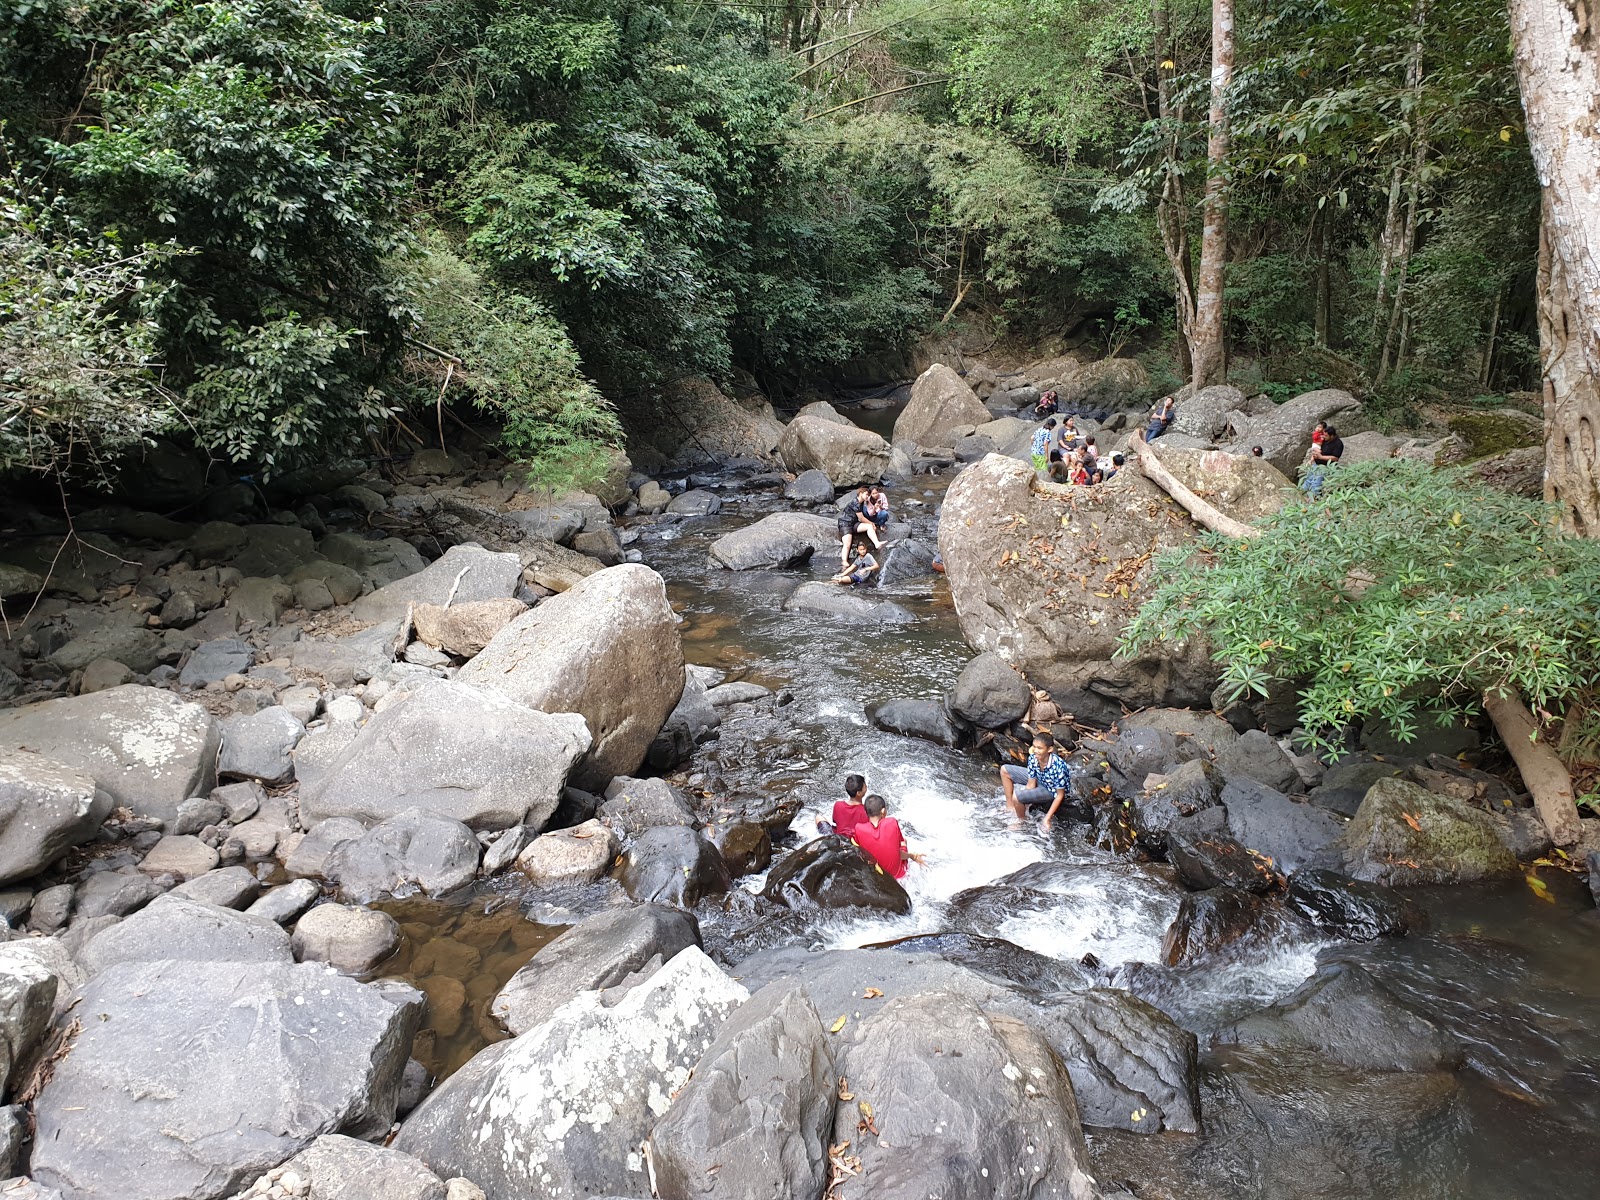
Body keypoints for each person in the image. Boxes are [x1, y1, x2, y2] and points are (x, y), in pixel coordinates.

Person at [999, 733, 1072, 832]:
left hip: (1051, 789)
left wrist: (1047, 819)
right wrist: (1026, 799)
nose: (1036, 751)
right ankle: (1010, 807)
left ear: (1049, 749)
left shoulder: (1059, 766)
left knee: (1017, 797)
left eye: (1039, 748)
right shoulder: (1034, 758)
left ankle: (1022, 821)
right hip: (1040, 779)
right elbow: (1031, 782)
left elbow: (1060, 795)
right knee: (1004, 770)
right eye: (1034, 747)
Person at [852, 794, 924, 878]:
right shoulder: (892, 822)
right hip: (898, 874)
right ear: (883, 811)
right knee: (904, 842)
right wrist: (912, 856)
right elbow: (898, 853)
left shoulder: (859, 828)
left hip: (876, 874)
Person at [836, 486, 881, 568]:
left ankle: (877, 543)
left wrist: (871, 524)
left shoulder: (861, 503)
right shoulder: (855, 503)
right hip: (845, 524)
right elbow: (861, 518)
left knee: (869, 527)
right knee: (847, 544)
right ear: (861, 493)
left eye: (868, 495)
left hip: (854, 523)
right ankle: (844, 561)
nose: (868, 496)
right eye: (866, 494)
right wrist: (872, 523)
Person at [1302, 423, 1344, 495]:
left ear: (1332, 436)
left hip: (1325, 466)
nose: (1324, 437)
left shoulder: (1338, 444)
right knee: (1308, 479)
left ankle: (1312, 498)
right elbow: (1318, 449)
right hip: (1316, 463)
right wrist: (1311, 459)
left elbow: (1335, 458)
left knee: (1316, 483)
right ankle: (1301, 493)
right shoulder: (1324, 439)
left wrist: (1321, 457)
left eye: (1326, 435)